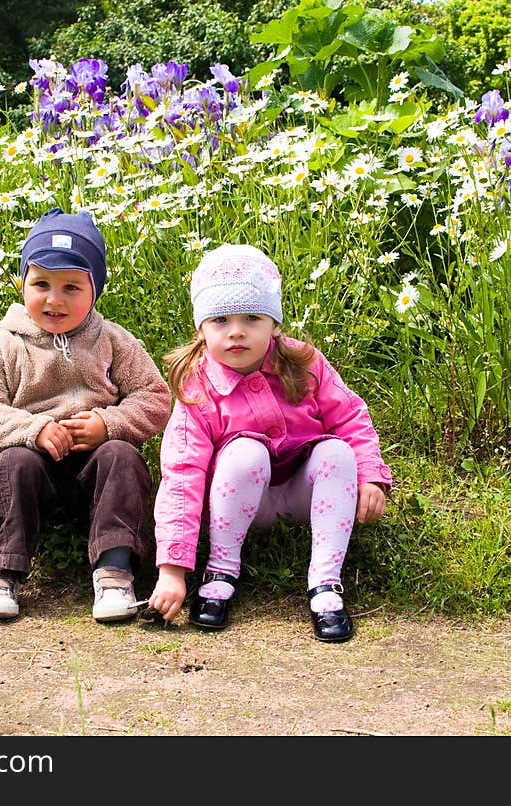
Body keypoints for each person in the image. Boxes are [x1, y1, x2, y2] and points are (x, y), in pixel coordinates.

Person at [148, 244, 391, 642]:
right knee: (245, 451)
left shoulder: (304, 362)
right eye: (220, 319)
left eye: (252, 318)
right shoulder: (198, 386)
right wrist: (173, 569)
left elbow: (349, 417)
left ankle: (325, 584)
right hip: (238, 501)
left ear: (275, 324)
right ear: (201, 328)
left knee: (335, 451)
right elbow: (182, 471)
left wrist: (369, 475)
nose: (237, 331)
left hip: (304, 497)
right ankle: (221, 569)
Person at [0, 207, 171, 623]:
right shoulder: (6, 344)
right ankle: (1, 573)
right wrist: (31, 429)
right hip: (35, 465)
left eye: (71, 287)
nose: (54, 299)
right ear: (22, 285)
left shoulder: (112, 340)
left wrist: (109, 424)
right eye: (41, 285)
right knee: (12, 464)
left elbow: (155, 396)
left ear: (95, 291)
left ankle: (115, 572)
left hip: (97, 466)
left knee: (123, 457)